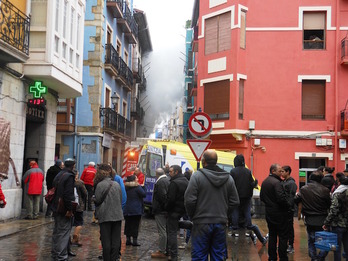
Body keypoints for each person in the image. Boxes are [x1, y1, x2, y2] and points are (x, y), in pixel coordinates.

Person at [185, 150, 240, 261]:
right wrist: (224, 214)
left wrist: (192, 215)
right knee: (218, 256)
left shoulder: (197, 177)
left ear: (203, 161)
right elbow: (235, 201)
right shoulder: (228, 178)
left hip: (201, 222)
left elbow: (189, 200)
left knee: (199, 256)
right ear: (216, 161)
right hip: (220, 222)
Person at [230, 154, 267, 245]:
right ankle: (249, 224)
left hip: (236, 196)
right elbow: (252, 183)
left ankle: (235, 227)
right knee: (247, 211)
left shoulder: (233, 171)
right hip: (246, 196)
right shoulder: (248, 171)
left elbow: (230, 184)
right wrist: (255, 183)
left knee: (235, 211)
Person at [295, 171, 331, 261]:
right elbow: (329, 204)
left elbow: (296, 199)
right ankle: (320, 257)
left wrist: (302, 206)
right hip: (322, 219)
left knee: (311, 240)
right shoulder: (325, 190)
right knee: (324, 241)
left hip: (309, 218)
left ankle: (314, 258)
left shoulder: (304, 189)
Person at [260, 163, 290, 261]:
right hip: (280, 213)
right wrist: (287, 206)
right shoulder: (277, 183)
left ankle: (272, 257)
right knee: (282, 236)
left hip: (269, 212)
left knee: (272, 235)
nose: (281, 172)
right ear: (273, 171)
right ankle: (283, 257)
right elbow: (281, 199)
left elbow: (262, 197)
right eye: (279, 171)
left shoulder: (265, 182)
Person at [94, 163, 123, 261]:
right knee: (115, 242)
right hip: (117, 215)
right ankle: (114, 258)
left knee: (106, 242)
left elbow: (97, 200)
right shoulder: (117, 184)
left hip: (105, 216)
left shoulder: (100, 185)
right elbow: (120, 198)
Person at [51, 158, 77, 260]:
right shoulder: (69, 177)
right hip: (63, 208)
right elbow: (68, 195)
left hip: (56, 206)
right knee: (63, 232)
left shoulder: (59, 174)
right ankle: (61, 256)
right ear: (73, 166)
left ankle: (55, 253)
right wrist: (70, 209)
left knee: (57, 231)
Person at [166, 165, 189, 261]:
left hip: (173, 210)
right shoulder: (186, 181)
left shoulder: (174, 183)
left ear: (176, 172)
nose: (169, 173)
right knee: (176, 227)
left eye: (170, 171)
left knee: (171, 232)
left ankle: (173, 255)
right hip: (181, 209)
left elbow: (171, 199)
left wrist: (166, 207)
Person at [323, 175, 348, 261]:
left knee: (336, 248)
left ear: (339, 183)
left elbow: (333, 210)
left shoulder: (338, 193)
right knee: (347, 246)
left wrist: (326, 222)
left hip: (337, 224)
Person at [151, 168, 170, 258]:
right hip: (163, 210)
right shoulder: (166, 180)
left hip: (160, 211)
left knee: (162, 231)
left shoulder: (161, 182)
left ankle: (162, 251)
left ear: (156, 174)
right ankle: (164, 249)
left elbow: (162, 197)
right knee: (164, 230)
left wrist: (163, 208)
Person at [123, 174, 146, 246]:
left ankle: (128, 239)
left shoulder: (125, 187)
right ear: (133, 180)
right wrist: (143, 187)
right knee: (135, 225)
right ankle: (135, 240)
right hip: (136, 209)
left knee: (128, 224)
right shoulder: (137, 187)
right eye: (136, 178)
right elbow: (143, 194)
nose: (137, 179)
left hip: (127, 209)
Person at [281, 165, 297, 254]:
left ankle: (291, 245)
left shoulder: (291, 183)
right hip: (284, 208)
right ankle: (285, 244)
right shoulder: (285, 181)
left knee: (289, 227)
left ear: (288, 172)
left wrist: (289, 207)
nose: (281, 173)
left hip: (288, 209)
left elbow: (291, 197)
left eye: (283, 171)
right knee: (284, 227)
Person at [71, 170, 87, 247]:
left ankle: (76, 239)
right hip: (78, 205)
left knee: (70, 222)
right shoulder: (79, 183)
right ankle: (75, 238)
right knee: (79, 223)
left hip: (69, 205)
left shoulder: (68, 182)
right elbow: (85, 193)